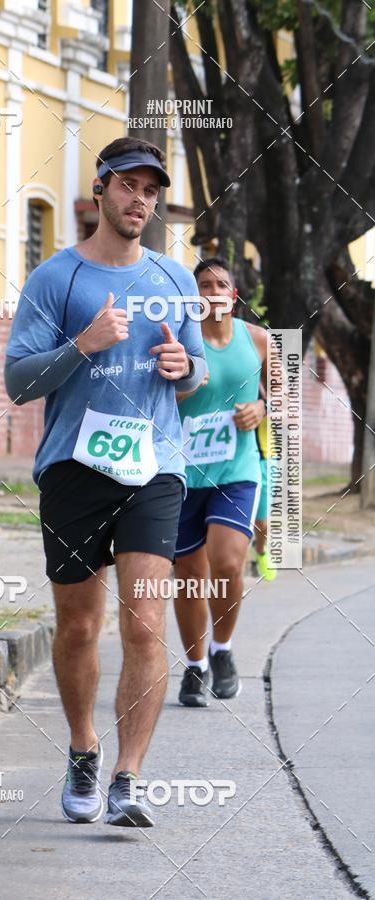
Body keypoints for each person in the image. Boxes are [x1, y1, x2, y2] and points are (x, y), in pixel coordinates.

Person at [4, 136, 207, 827]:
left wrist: (187, 368)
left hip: (155, 468)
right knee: (79, 627)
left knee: (146, 625)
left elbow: (200, 369)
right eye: (128, 187)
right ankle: (84, 748)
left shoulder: (176, 280)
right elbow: (17, 381)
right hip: (73, 469)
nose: (139, 202)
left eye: (151, 192)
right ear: (101, 191)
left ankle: (128, 778)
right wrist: (81, 345)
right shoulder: (55, 279)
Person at [173, 257, 268, 707]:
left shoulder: (260, 341)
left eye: (221, 284)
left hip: (237, 472)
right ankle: (195, 666)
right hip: (182, 474)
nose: (213, 290)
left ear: (233, 295)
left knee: (228, 562)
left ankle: (222, 651)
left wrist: (263, 409)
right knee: (189, 575)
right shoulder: (177, 341)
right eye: (203, 284)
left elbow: (285, 407)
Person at [252, 416, 277, 581]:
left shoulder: (275, 391)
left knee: (262, 522)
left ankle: (260, 550)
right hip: (236, 460)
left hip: (266, 461)